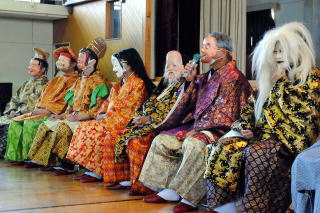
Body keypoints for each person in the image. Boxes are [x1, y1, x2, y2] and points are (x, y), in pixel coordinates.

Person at [204, 22, 320, 213]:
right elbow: (250, 109)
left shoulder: (311, 78)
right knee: (222, 147)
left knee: (258, 154)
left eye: (282, 50)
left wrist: (278, 86)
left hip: (286, 141)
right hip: (261, 137)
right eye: (274, 51)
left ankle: (257, 209)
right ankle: (223, 208)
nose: (278, 55)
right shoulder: (270, 79)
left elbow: (303, 122)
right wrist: (244, 128)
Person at [139, 32, 252, 213]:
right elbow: (187, 105)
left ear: (223, 51)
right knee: (162, 140)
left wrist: (198, 130)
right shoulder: (205, 77)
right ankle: (169, 190)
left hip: (221, 131)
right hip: (200, 127)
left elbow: (227, 114)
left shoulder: (234, 79)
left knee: (194, 143)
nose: (202, 49)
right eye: (203, 45)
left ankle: (189, 198)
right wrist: (189, 80)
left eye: (207, 45)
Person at [101, 50, 186, 195]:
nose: (170, 69)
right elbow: (146, 105)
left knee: (135, 142)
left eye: (175, 65)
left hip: (163, 128)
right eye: (167, 66)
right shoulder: (164, 85)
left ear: (183, 68)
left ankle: (142, 185)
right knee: (112, 136)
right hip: (143, 124)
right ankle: (124, 179)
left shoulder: (184, 87)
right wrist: (140, 117)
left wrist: (149, 119)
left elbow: (175, 112)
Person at [66, 48, 155, 183]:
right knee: (83, 127)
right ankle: (94, 169)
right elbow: (108, 102)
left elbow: (130, 108)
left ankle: (98, 171)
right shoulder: (119, 84)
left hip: (125, 120)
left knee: (94, 130)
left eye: (116, 65)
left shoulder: (138, 83)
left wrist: (106, 116)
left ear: (128, 64)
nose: (114, 69)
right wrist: (101, 113)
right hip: (111, 118)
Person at [27, 38, 110, 173]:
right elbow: (70, 105)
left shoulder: (99, 82)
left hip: (86, 119)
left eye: (81, 59)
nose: (78, 62)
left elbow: (99, 109)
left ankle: (68, 164)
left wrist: (82, 116)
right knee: (46, 125)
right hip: (72, 117)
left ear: (92, 62)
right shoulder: (79, 80)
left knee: (62, 128)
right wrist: (62, 114)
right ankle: (49, 160)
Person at [4, 46, 79, 164]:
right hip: (40, 110)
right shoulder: (55, 80)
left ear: (74, 64)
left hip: (54, 113)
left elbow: (63, 102)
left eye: (63, 60)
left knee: (29, 123)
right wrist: (18, 109)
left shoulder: (75, 81)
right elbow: (41, 99)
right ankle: (17, 156)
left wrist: (47, 110)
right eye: (59, 60)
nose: (59, 62)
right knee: (15, 123)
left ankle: (30, 158)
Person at [0, 48, 49, 158]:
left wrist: (19, 113)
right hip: (17, 113)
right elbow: (14, 99)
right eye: (29, 65)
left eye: (34, 65)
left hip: (31, 114)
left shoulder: (46, 85)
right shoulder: (26, 83)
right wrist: (12, 110)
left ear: (43, 69)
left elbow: (35, 104)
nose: (30, 68)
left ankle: (18, 155)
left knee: (12, 124)